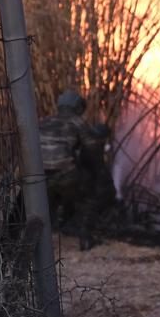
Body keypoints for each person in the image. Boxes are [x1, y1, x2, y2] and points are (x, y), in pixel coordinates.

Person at [39, 90, 110, 250]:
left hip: (39, 176)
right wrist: (99, 174)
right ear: (78, 107)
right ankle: (85, 239)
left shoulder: (44, 121)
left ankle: (45, 242)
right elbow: (91, 149)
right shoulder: (77, 122)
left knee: (47, 204)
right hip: (64, 174)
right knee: (88, 197)